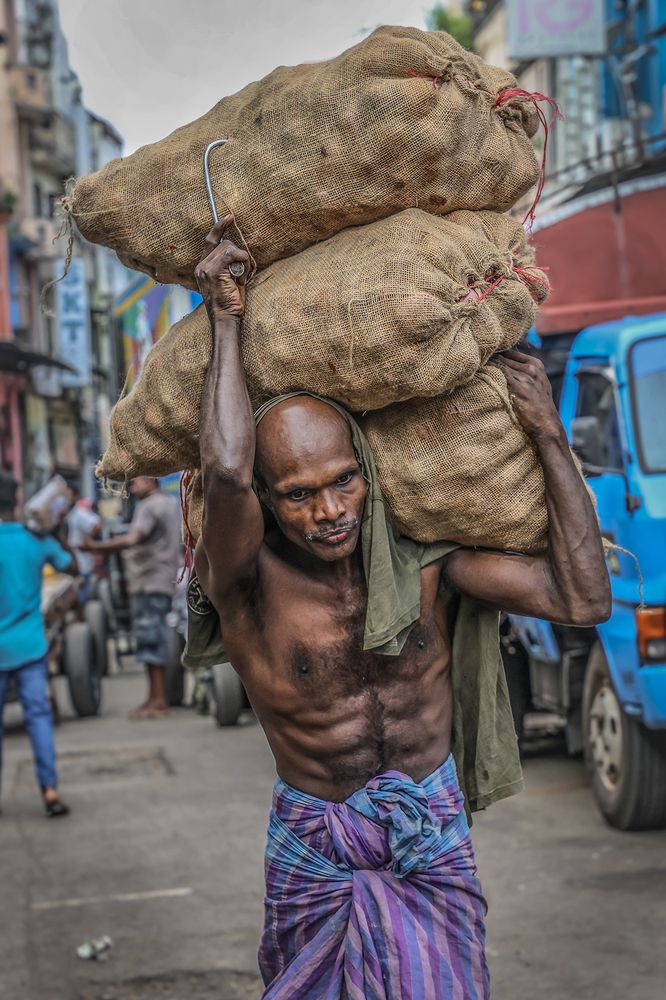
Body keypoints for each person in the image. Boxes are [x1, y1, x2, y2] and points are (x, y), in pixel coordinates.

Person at [186, 221, 611, 999]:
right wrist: (224, 315)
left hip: (431, 838)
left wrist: (548, 433)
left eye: (343, 481)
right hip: (318, 845)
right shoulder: (247, 589)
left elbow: (584, 600)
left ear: (369, 476)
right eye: (299, 494)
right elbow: (220, 471)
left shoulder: (432, 570)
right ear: (268, 502)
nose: (328, 511)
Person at [0, 471, 74, 817]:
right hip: (30, 645)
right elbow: (72, 566)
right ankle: (49, 790)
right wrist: (57, 531)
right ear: (16, 501)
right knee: (39, 718)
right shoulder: (34, 540)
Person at [83, 477, 180, 718]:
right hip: (163, 578)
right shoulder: (169, 503)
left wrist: (95, 547)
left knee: (151, 640)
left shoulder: (150, 507)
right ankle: (153, 698)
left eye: (137, 481)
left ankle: (158, 701)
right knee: (153, 638)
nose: (133, 487)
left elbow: (132, 539)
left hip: (149, 582)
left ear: (152, 481)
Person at [63, 480, 102, 604]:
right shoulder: (66, 514)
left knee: (82, 596)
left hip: (81, 562)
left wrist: (87, 541)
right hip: (70, 562)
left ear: (74, 496)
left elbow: (96, 525)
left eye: (67, 494)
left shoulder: (79, 513)